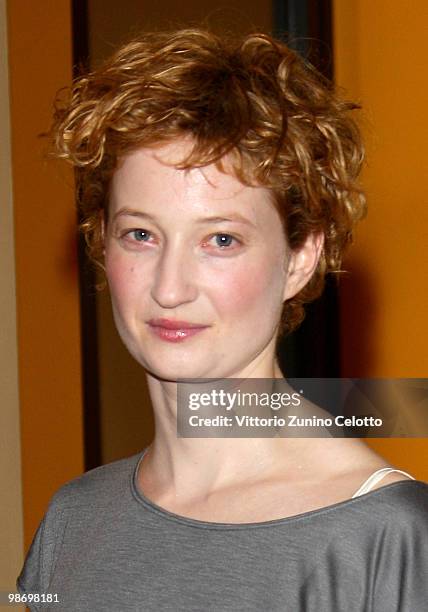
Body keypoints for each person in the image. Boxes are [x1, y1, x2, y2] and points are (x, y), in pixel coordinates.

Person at [17, 29, 427, 611]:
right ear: (101, 243)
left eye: (220, 239)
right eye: (140, 235)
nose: (169, 287)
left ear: (301, 258)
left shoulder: (385, 536)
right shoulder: (73, 521)